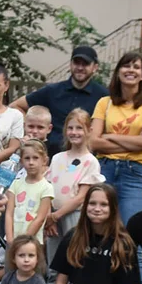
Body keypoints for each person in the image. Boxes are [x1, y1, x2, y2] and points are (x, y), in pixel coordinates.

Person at [90, 52, 142, 224]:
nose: (131, 70)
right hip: (104, 169)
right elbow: (93, 142)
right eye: (126, 66)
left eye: (136, 67)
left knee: (132, 230)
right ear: (117, 72)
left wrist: (109, 136)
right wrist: (135, 142)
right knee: (98, 226)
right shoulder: (104, 103)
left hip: (135, 172)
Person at [9, 46, 107, 152]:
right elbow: (16, 106)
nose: (80, 67)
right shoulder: (52, 91)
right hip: (49, 157)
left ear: (95, 67)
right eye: (76, 63)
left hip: (84, 158)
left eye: (85, 64)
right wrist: (32, 129)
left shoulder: (103, 96)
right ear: (70, 64)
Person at [45, 108, 104, 265]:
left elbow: (81, 197)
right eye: (70, 128)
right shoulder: (57, 158)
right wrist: (49, 215)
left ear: (88, 131)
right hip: (52, 215)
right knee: (53, 260)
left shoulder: (90, 161)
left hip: (74, 216)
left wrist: (55, 216)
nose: (74, 132)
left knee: (73, 258)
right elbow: (48, 187)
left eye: (79, 128)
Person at [5, 139, 54, 245]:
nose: (31, 162)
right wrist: (9, 238)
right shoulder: (16, 184)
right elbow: (9, 213)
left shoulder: (46, 187)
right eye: (27, 158)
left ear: (44, 160)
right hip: (13, 240)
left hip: (32, 242)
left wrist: (24, 241)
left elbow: (40, 218)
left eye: (35, 158)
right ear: (21, 161)